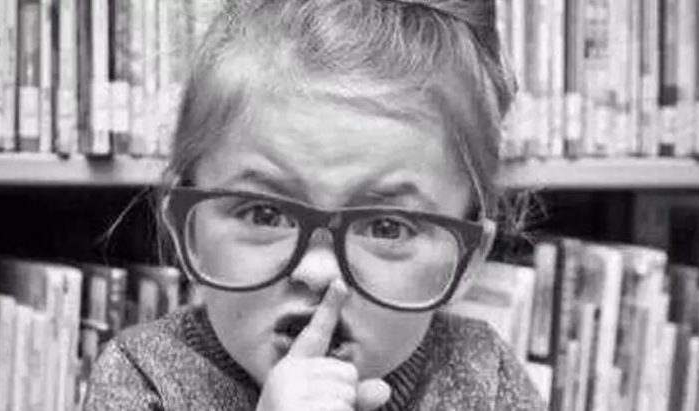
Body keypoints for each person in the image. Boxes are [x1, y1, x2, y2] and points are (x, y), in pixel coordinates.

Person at [85, 0, 545, 410]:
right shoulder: (144, 378)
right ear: (188, 233)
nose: (319, 273)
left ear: (466, 262)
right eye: (265, 215)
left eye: (386, 227)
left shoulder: (486, 376)